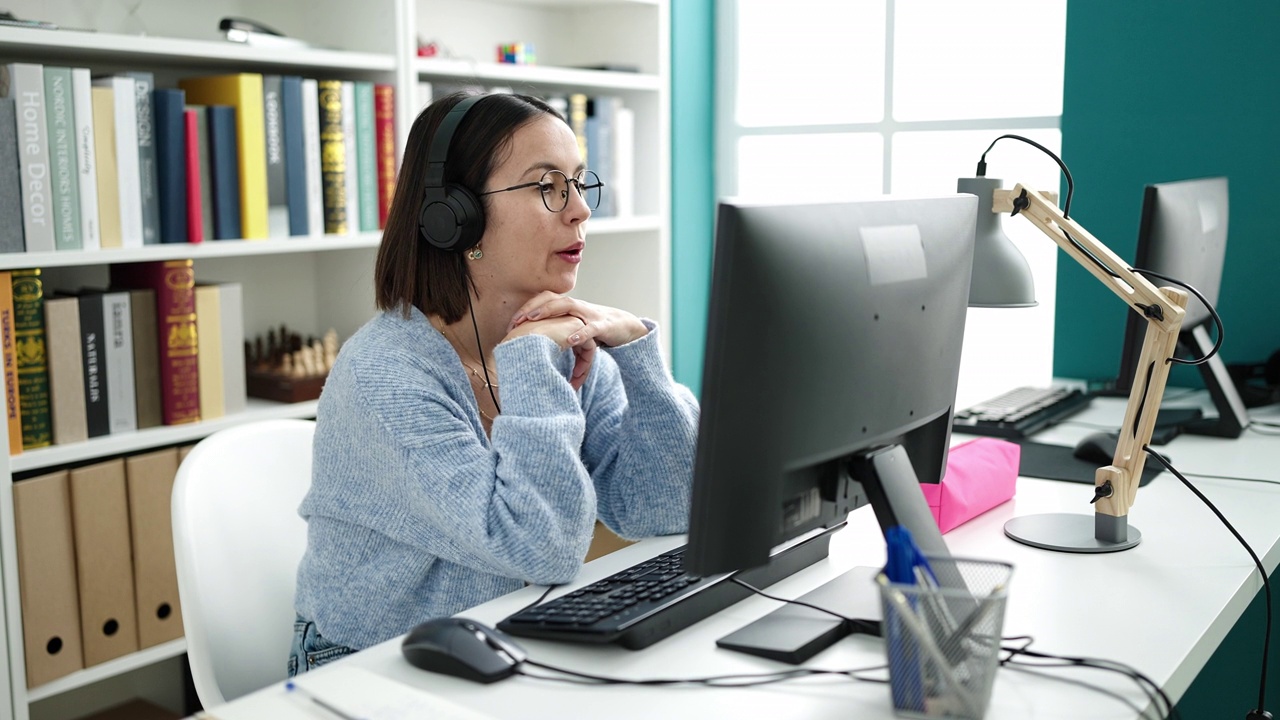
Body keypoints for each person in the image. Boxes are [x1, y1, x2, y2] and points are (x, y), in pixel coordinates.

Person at [288, 92, 699, 675]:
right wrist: (529, 366)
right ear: (456, 216)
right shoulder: (384, 375)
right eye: (547, 186)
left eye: (580, 183)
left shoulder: (553, 339)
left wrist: (637, 353)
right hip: (368, 664)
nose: (580, 210)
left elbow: (667, 506)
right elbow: (541, 546)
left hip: (497, 635)